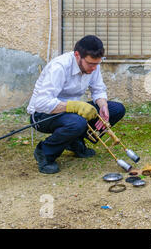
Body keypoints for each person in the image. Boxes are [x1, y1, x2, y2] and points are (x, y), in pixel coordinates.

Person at [27, 35, 126, 174]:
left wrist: (103, 105)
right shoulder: (59, 67)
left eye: (97, 63)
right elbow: (41, 103)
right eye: (91, 64)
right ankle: (45, 152)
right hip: (42, 115)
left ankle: (74, 142)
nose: (94, 68)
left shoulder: (93, 65)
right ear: (77, 55)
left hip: (71, 113)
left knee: (116, 109)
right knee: (77, 122)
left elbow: (98, 89)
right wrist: (75, 106)